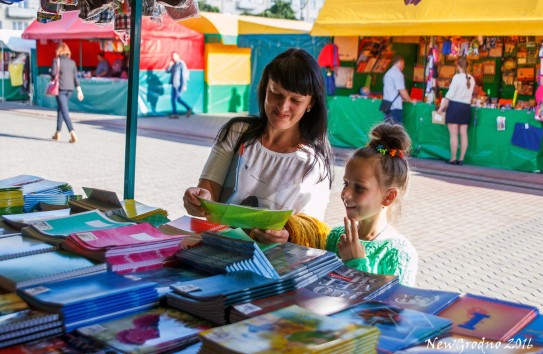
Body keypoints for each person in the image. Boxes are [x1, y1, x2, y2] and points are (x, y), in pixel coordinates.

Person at [183, 48, 334, 245]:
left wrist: (288, 234)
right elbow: (208, 192)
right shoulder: (237, 133)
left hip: (272, 263)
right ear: (264, 88)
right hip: (218, 248)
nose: (283, 107)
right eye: (276, 94)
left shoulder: (313, 162)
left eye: (295, 100)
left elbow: (312, 229)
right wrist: (199, 200)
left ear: (311, 102)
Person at [325, 122, 418, 286]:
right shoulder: (336, 238)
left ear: (388, 197)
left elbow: (391, 309)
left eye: (359, 188)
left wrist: (356, 263)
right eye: (346, 183)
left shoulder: (399, 254)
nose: (345, 194)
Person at [437, 57, 475, 165]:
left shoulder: (457, 78)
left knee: (453, 134)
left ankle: (453, 159)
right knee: (463, 133)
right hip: (466, 108)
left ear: (458, 65)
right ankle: (461, 159)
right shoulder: (471, 79)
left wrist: (440, 109)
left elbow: (449, 95)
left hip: (454, 107)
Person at [51, 42, 84, 144]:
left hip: (60, 89)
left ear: (58, 51)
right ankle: (57, 132)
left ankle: (72, 131)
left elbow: (53, 74)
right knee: (60, 109)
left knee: (64, 111)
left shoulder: (56, 61)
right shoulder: (72, 62)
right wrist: (79, 91)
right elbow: (75, 78)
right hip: (70, 89)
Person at [382, 56, 416, 124]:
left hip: (387, 105)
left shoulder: (387, 73)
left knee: (386, 129)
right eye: (403, 64)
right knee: (395, 130)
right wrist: (410, 100)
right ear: (400, 63)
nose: (403, 66)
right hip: (395, 106)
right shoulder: (398, 74)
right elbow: (402, 90)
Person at [166, 51, 193, 118]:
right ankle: (175, 113)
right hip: (174, 84)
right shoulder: (174, 64)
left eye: (174, 56)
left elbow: (184, 75)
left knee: (177, 98)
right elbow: (167, 71)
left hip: (178, 85)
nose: (173, 57)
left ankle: (188, 108)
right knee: (173, 99)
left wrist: (184, 85)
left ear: (178, 56)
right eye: (172, 56)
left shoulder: (181, 63)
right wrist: (170, 65)